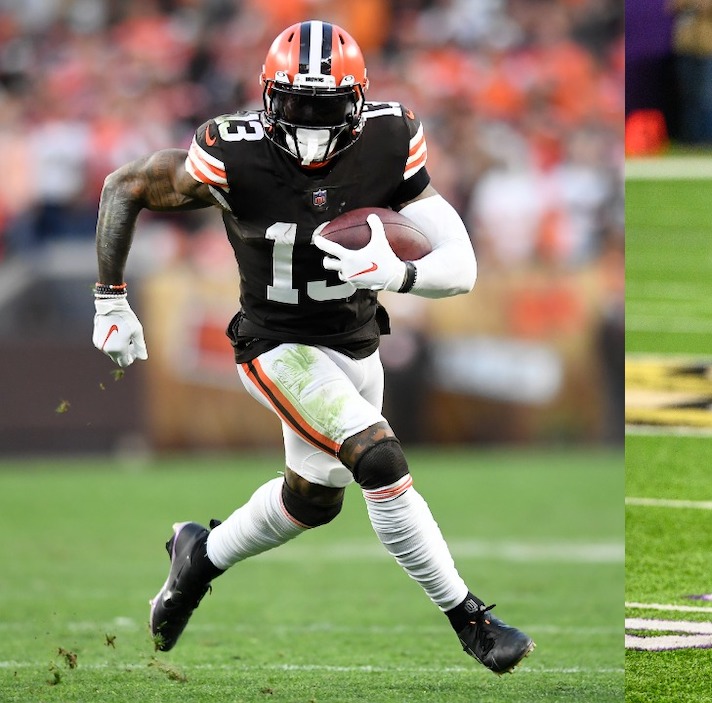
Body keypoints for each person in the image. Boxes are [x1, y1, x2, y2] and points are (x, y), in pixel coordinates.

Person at [91, 20, 534, 675]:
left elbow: (462, 266)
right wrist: (109, 297)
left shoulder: (389, 138)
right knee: (378, 457)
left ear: (357, 104)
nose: (314, 124)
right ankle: (470, 618)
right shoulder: (231, 151)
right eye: (299, 105)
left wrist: (399, 274)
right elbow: (124, 186)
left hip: (355, 344)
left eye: (329, 107)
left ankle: (198, 554)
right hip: (276, 344)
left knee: (312, 501)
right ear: (270, 98)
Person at [667, 0, 712, 145]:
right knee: (689, 96)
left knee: (709, 97)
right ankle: (691, 140)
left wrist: (706, 5)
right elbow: (671, 7)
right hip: (686, 47)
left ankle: (711, 141)